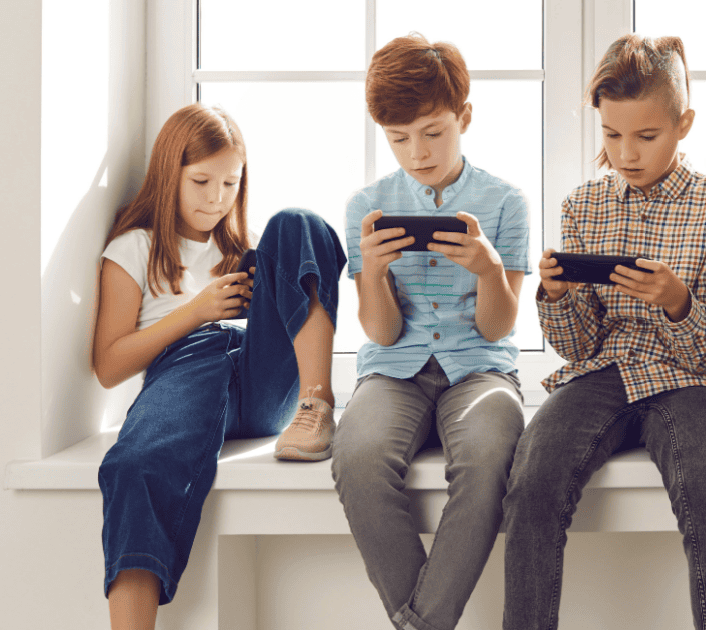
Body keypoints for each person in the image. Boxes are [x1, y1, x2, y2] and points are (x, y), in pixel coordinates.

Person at [502, 34, 706, 630]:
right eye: (612, 136)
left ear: (683, 124)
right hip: (603, 370)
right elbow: (577, 346)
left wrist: (676, 301)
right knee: (532, 482)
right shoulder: (583, 205)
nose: (625, 153)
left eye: (646, 136)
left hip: (693, 378)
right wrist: (557, 295)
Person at [93, 102, 346, 629]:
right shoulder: (134, 248)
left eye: (230, 184)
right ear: (170, 175)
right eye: (202, 181)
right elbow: (109, 365)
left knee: (298, 224)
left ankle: (318, 403)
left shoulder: (243, 250)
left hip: (262, 377)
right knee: (133, 465)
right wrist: (195, 312)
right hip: (185, 367)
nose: (216, 198)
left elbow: (283, 293)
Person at [329, 33, 531, 630]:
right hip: (393, 369)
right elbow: (381, 334)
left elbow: (499, 325)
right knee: (357, 458)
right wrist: (375, 274)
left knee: (492, 455)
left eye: (433, 132)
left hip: (480, 366)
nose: (416, 152)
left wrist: (490, 269)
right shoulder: (367, 205)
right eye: (398, 138)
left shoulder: (504, 202)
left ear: (463, 118)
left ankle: (420, 623)